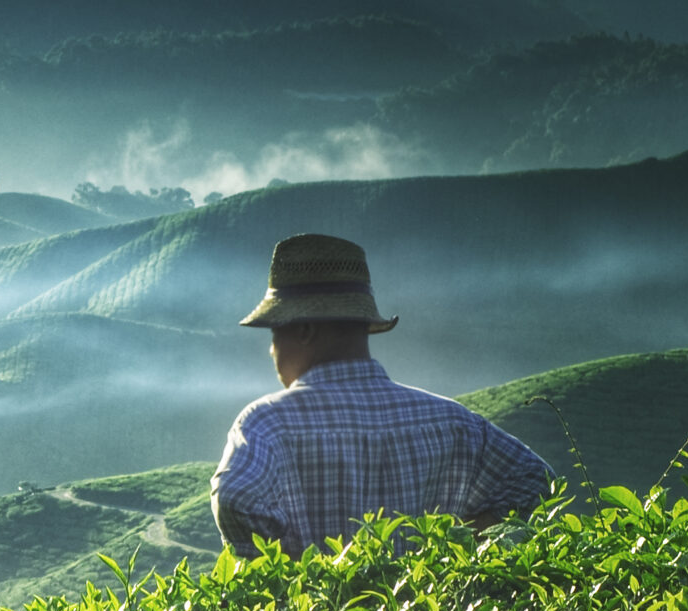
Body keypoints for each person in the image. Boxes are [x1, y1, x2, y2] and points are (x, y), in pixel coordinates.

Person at [210, 233, 550, 557]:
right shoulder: (453, 422)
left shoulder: (267, 425)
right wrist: (454, 552)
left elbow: (236, 497)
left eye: (275, 334)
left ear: (304, 330)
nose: (272, 351)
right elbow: (535, 481)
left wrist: (293, 571)